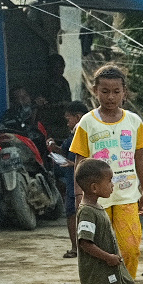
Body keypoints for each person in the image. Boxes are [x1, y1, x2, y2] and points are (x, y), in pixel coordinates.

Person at [68, 66, 143, 284]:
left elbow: (140, 159)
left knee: (130, 248)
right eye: (105, 91)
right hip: (97, 201)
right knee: (99, 252)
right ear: (95, 91)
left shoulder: (134, 122)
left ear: (124, 92)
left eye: (116, 91)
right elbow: (80, 162)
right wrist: (79, 195)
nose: (110, 97)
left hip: (127, 196)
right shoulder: (87, 123)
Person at [58, 99, 88, 258]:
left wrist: (73, 164)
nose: (67, 122)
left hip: (85, 182)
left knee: (86, 214)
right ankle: (75, 247)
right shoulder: (72, 135)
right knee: (71, 213)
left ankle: (85, 248)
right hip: (72, 181)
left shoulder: (89, 132)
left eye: (68, 118)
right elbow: (65, 151)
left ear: (77, 117)